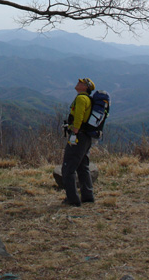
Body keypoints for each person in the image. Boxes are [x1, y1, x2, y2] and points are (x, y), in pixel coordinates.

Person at [61, 77, 96, 206]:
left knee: (68, 168)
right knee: (83, 167)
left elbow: (79, 115)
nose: (78, 83)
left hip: (78, 136)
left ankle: (72, 199)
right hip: (86, 137)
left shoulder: (81, 98)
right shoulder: (88, 99)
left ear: (85, 87)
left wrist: (75, 130)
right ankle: (87, 197)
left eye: (81, 82)